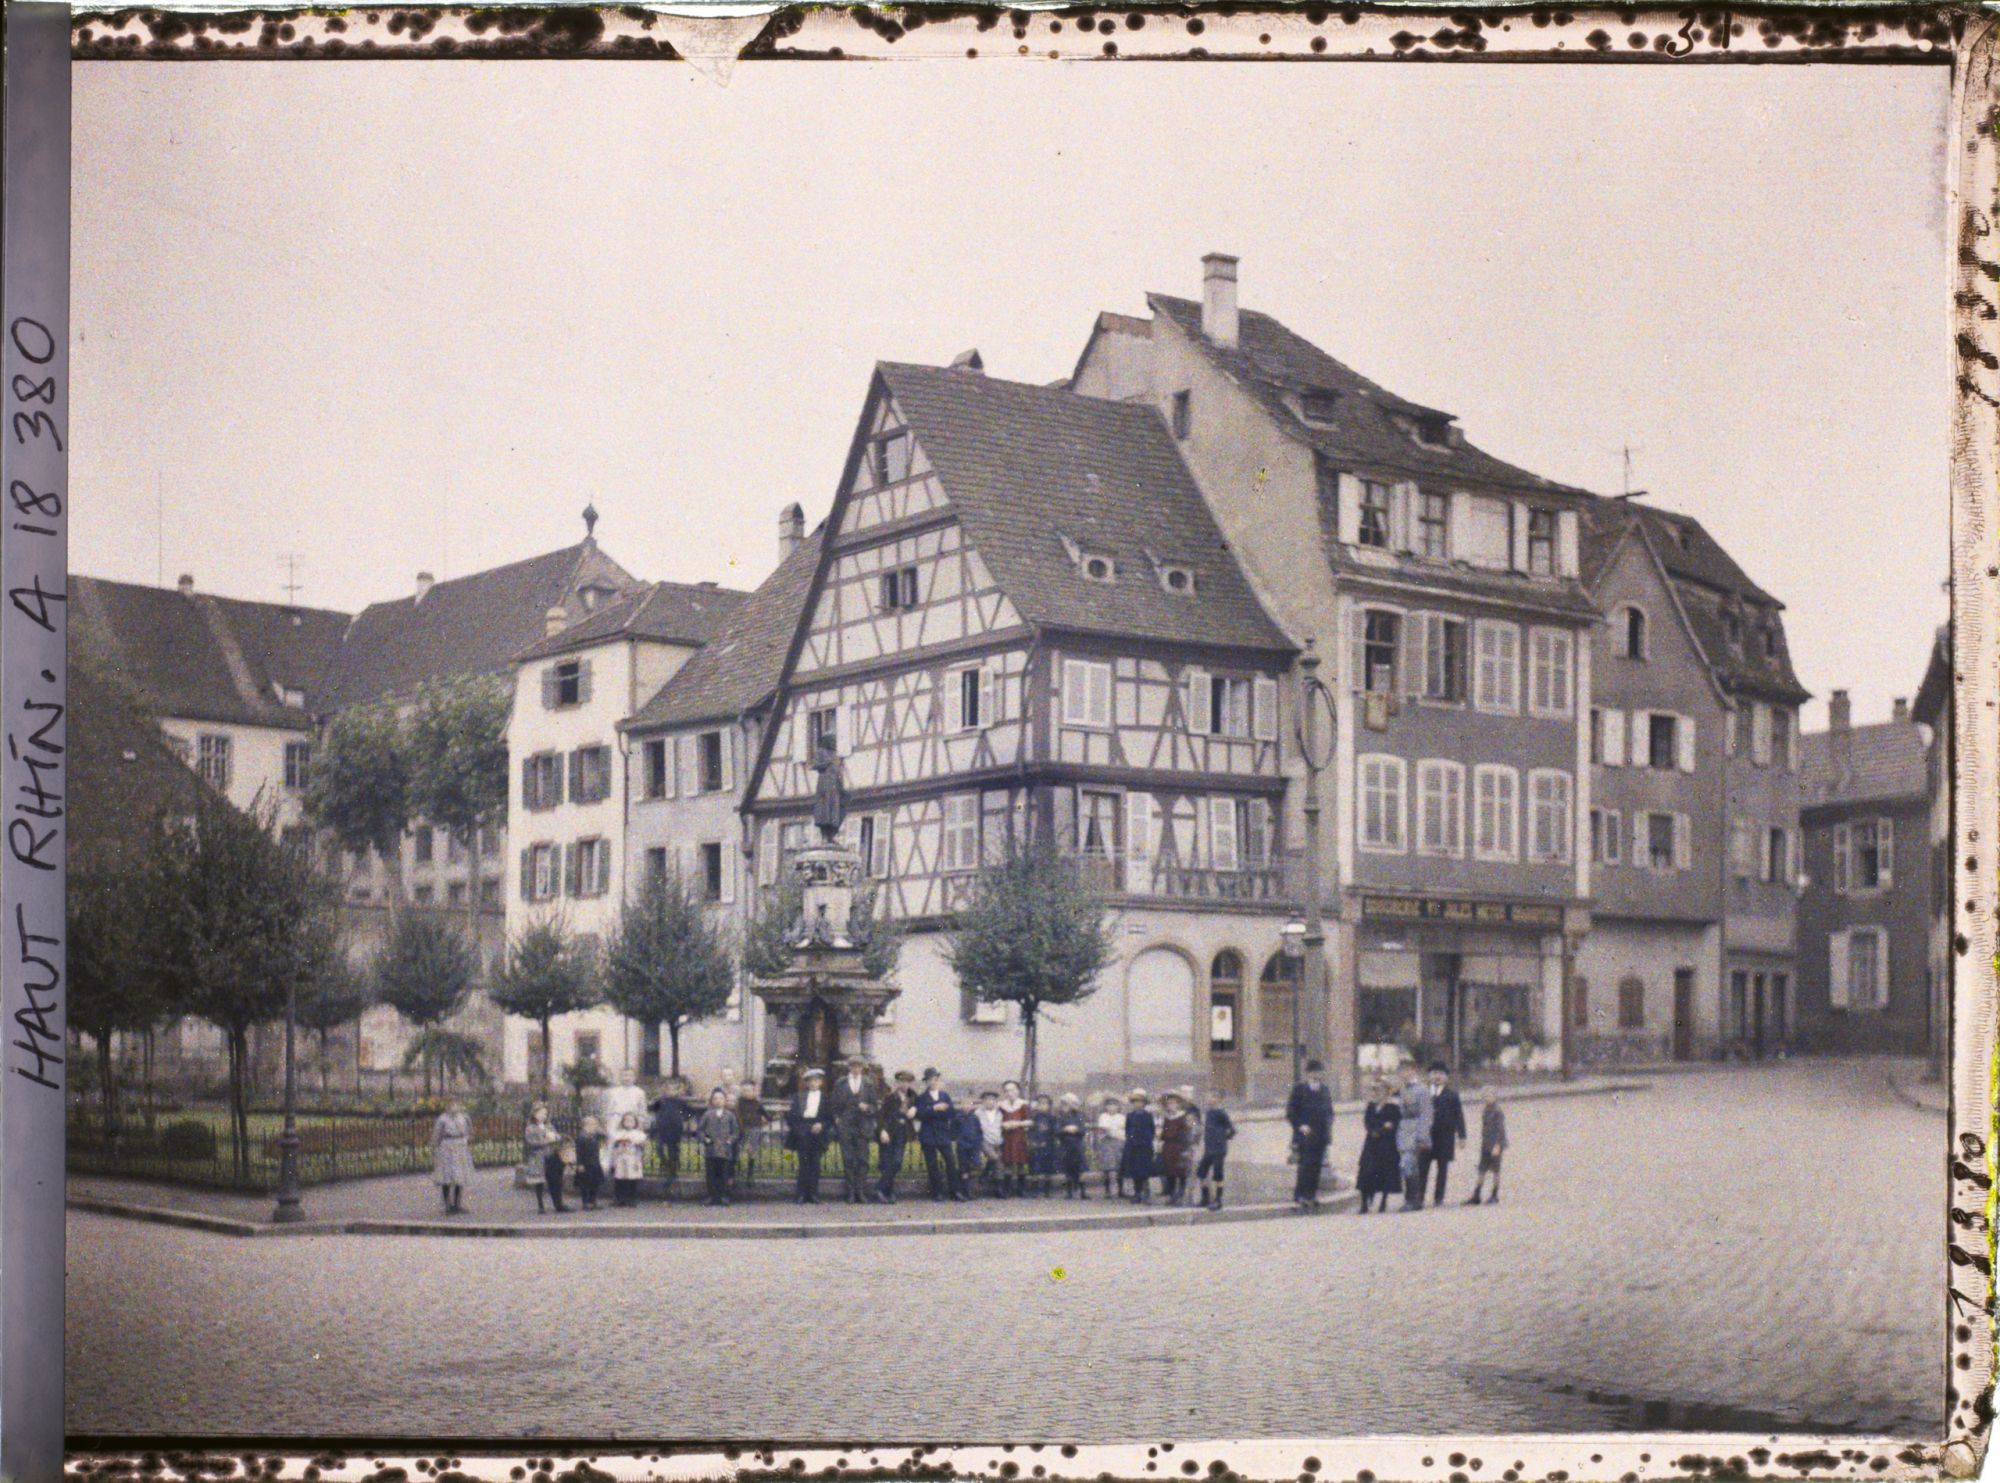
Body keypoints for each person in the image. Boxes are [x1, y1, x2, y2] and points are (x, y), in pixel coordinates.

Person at [828, 1055, 879, 1205]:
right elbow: (834, 1104)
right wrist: (837, 1118)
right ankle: (850, 1192)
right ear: (849, 1068)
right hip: (846, 1126)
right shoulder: (841, 1083)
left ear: (863, 1068)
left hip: (863, 1126)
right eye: (853, 1066)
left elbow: (875, 1106)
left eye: (859, 1066)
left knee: (863, 1160)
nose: (856, 1069)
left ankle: (860, 1192)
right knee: (848, 1159)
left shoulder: (869, 1083)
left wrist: (868, 1108)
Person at [1287, 1060, 1334, 1211]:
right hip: (1304, 1134)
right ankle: (1301, 1195)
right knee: (1304, 1165)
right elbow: (1291, 1112)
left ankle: (1311, 1195)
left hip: (1320, 1134)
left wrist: (1328, 1127)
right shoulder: (1299, 1089)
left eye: (1319, 1072)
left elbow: (1329, 1111)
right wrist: (1301, 1125)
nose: (1316, 1075)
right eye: (1313, 1072)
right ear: (1308, 1073)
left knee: (1316, 1166)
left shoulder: (1325, 1089)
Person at [1421, 1062, 1466, 1208]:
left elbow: (1459, 1116)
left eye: (1441, 1073)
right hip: (1427, 1136)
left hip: (1445, 1136)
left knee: (1442, 1168)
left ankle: (1438, 1198)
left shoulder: (1452, 1095)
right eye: (1434, 1073)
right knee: (1423, 1167)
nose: (1437, 1076)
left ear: (1446, 1077)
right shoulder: (1424, 1093)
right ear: (1428, 1076)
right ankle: (1419, 1196)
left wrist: (1462, 1136)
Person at [1355, 1079, 1403, 1213]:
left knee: (1384, 1172)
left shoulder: (1393, 1108)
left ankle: (1383, 1201)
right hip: (1371, 1143)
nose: (1377, 1094)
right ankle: (1364, 1203)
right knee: (1366, 1171)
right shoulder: (1371, 1106)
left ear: (1387, 1093)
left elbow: (1393, 1125)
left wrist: (1380, 1129)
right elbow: (1367, 1122)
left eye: (1381, 1091)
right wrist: (1376, 1129)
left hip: (1386, 1145)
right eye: (1375, 1091)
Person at [915, 1068, 963, 1201]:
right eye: (930, 1080)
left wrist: (945, 1109)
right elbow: (919, 1115)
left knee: (951, 1162)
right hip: (928, 1134)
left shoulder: (945, 1096)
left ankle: (955, 1191)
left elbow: (952, 1113)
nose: (933, 1082)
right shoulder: (921, 1098)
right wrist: (934, 1109)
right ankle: (937, 1192)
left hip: (943, 1133)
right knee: (932, 1165)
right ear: (926, 1082)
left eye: (935, 1079)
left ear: (938, 1080)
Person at [787, 1066, 831, 1204]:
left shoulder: (825, 1098)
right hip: (802, 1130)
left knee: (815, 1164)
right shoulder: (798, 1097)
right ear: (806, 1083)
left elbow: (830, 1118)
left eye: (816, 1080)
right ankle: (801, 1194)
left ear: (821, 1082)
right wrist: (799, 1131)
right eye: (810, 1080)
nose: (813, 1083)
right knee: (803, 1163)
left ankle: (813, 1194)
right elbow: (791, 1117)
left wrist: (822, 1125)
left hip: (817, 1130)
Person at [1396, 1059, 1435, 1211]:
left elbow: (1426, 1115)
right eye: (1400, 1071)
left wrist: (1422, 1136)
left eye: (1404, 1070)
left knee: (1409, 1165)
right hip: (1404, 1132)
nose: (1402, 1074)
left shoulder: (1422, 1090)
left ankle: (1413, 1200)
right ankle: (1413, 1199)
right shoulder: (1404, 1089)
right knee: (1407, 1166)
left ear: (1413, 1070)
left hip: (1415, 1132)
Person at [878, 1069, 919, 1203]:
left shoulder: (913, 1097)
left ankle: (880, 1188)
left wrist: (915, 1109)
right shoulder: (890, 1097)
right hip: (890, 1131)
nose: (904, 1085)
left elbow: (921, 1108)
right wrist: (883, 1130)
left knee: (897, 1161)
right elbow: (882, 1115)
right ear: (897, 1082)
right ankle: (887, 1192)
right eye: (902, 1081)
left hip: (903, 1132)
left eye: (907, 1082)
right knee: (887, 1161)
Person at [698, 1086, 741, 1206]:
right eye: (715, 1098)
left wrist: (730, 1140)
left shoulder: (730, 1115)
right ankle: (712, 1196)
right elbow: (700, 1130)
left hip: (725, 1150)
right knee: (711, 1175)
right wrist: (705, 1139)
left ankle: (724, 1196)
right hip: (711, 1150)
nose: (718, 1101)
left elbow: (735, 1131)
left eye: (721, 1098)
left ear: (725, 1100)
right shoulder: (707, 1115)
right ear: (712, 1101)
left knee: (724, 1174)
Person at [430, 1098, 473, 1214]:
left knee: (460, 1176)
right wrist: (435, 1149)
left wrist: (465, 1140)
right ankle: (447, 1205)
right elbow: (436, 1136)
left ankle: (457, 1204)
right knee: (446, 1176)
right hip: (447, 1147)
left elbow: (470, 1132)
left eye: (456, 1104)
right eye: (451, 1104)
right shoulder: (442, 1119)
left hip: (460, 1147)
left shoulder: (464, 1118)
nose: (453, 1106)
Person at [1466, 1095, 1508, 1206]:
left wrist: (1498, 1145)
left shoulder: (1497, 1111)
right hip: (1486, 1144)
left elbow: (1500, 1129)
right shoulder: (1486, 1110)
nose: (1486, 1098)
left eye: (1489, 1095)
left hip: (1495, 1144)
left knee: (1495, 1170)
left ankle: (1494, 1194)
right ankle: (1477, 1194)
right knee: (1482, 1169)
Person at [1196, 1097, 1236, 1211]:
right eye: (1208, 1096)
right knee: (1201, 1172)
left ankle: (1218, 1200)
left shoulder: (1221, 1113)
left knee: (1218, 1175)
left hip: (1219, 1149)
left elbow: (1232, 1130)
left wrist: (1223, 1138)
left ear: (1217, 1100)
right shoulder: (1209, 1113)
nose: (1209, 1099)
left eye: (1213, 1097)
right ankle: (1205, 1198)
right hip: (1209, 1149)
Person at [1157, 1091, 1195, 1206]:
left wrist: (1187, 1149)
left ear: (1178, 1104)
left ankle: (1181, 1194)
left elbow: (1190, 1132)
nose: (1171, 1106)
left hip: (1180, 1147)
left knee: (1181, 1172)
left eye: (1173, 1103)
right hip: (1168, 1147)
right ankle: (1172, 1195)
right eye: (1168, 1104)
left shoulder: (1184, 1116)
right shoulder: (1166, 1118)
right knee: (1169, 1172)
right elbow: (1162, 1133)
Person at [522, 1102, 560, 1213]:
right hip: (538, 1157)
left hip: (550, 1155)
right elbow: (531, 1142)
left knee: (554, 1180)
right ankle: (540, 1205)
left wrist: (556, 1138)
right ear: (534, 1114)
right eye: (542, 1113)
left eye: (545, 1114)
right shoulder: (530, 1128)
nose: (544, 1116)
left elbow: (557, 1135)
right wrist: (546, 1141)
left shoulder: (549, 1126)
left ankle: (557, 1203)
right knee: (539, 1182)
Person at [650, 1082, 688, 1195]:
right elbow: (652, 1109)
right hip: (662, 1129)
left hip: (675, 1129)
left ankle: (672, 1172)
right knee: (659, 1148)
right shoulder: (660, 1101)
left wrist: (683, 1119)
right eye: (668, 1089)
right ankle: (666, 1165)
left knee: (673, 1152)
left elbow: (688, 1113)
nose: (670, 1092)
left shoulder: (680, 1102)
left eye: (673, 1089)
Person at [1120, 1089, 1156, 1204]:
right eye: (1135, 1102)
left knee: (1144, 1170)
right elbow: (1127, 1129)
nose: (1138, 1104)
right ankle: (1137, 1192)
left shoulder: (1148, 1116)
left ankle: (1146, 1193)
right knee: (1134, 1171)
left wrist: (1147, 1140)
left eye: (1140, 1102)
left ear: (1144, 1104)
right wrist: (1130, 1139)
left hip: (1144, 1146)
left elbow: (1152, 1130)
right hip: (1133, 1146)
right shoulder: (1130, 1116)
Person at [997, 1081, 1031, 1198]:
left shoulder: (1023, 1105)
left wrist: (1017, 1123)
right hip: (1006, 1137)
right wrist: (1003, 1124)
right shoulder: (1001, 1106)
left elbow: (1030, 1121)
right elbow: (996, 1120)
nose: (1010, 1093)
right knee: (1008, 1162)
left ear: (1017, 1091)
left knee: (1020, 1162)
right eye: (1007, 1091)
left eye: (1012, 1090)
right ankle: (1007, 1189)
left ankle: (1021, 1189)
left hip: (1019, 1136)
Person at [1055, 1094, 1090, 1199]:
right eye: (1064, 1104)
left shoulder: (1079, 1116)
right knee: (1068, 1169)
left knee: (1081, 1169)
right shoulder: (1060, 1117)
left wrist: (1076, 1129)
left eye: (1069, 1104)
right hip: (1066, 1145)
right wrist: (1065, 1129)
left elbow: (1083, 1130)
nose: (1066, 1107)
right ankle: (1069, 1192)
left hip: (1078, 1146)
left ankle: (1083, 1192)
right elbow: (1056, 1131)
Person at [735, 1076, 766, 1191]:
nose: (746, 1093)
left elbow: (765, 1113)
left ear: (754, 1091)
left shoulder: (757, 1103)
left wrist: (767, 1118)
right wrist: (741, 1127)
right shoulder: (739, 1103)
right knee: (738, 1150)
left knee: (751, 1151)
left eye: (749, 1090)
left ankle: (750, 1174)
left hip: (754, 1129)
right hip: (742, 1129)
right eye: (744, 1090)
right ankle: (737, 1172)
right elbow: (737, 1116)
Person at [610, 1111, 647, 1207]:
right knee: (620, 1179)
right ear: (622, 1122)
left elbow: (642, 1146)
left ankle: (632, 1198)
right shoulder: (618, 1133)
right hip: (621, 1158)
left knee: (632, 1179)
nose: (628, 1122)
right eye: (626, 1120)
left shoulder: (638, 1134)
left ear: (635, 1122)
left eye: (631, 1120)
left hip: (633, 1158)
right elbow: (615, 1146)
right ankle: (619, 1198)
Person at [601, 1065, 648, 1139]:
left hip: (632, 1122)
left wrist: (641, 1125)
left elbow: (642, 1111)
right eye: (624, 1075)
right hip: (615, 1120)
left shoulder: (639, 1092)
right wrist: (606, 1124)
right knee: (614, 1143)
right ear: (620, 1077)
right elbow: (607, 1109)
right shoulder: (612, 1092)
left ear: (634, 1078)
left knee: (632, 1143)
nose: (627, 1078)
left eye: (630, 1075)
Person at [1093, 1096, 1127, 1199]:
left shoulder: (1122, 1117)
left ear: (1118, 1107)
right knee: (1108, 1167)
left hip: (1119, 1142)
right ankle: (1107, 1190)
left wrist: (1116, 1133)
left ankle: (1121, 1190)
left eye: (1114, 1105)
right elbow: (1104, 1130)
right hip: (1107, 1143)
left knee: (1119, 1166)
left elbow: (1124, 1131)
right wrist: (1114, 1132)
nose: (1112, 1107)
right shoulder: (1103, 1116)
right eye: (1109, 1105)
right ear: (1106, 1107)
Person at [1027, 1093, 1058, 1197]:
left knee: (1047, 1168)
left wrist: (1048, 1141)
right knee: (1035, 1167)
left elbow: (1054, 1132)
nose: (1042, 1106)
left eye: (1045, 1104)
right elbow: (1030, 1131)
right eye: (1040, 1103)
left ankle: (1047, 1190)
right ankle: (1034, 1190)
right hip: (1036, 1146)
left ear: (1049, 1105)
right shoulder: (1034, 1117)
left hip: (1048, 1146)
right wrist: (1033, 1141)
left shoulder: (1052, 1118)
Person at [976, 1090, 1006, 1196]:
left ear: (996, 1101)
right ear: (983, 1101)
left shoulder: (1000, 1113)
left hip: (998, 1140)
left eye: (992, 1100)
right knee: (994, 1158)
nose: (990, 1102)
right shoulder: (978, 1113)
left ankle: (999, 1188)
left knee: (999, 1163)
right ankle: (985, 1174)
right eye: (987, 1100)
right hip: (985, 1140)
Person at [956, 1095, 986, 1198]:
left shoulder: (975, 1118)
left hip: (974, 1146)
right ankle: (962, 1190)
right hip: (962, 1146)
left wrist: (978, 1142)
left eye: (969, 1104)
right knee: (963, 1168)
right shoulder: (957, 1117)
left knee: (974, 1166)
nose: (966, 1106)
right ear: (960, 1105)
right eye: (964, 1104)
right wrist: (958, 1140)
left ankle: (971, 1190)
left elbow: (979, 1131)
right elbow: (953, 1132)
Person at [574, 1114, 607, 1211]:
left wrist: (601, 1129)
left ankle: (593, 1201)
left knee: (594, 1183)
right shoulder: (581, 1137)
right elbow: (578, 1152)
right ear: (585, 1126)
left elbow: (605, 1135)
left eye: (595, 1125)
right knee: (585, 1184)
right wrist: (579, 1164)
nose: (595, 1127)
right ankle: (585, 1202)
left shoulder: (595, 1136)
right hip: (585, 1164)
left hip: (594, 1163)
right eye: (592, 1125)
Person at [544, 1137, 573, 1214]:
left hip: (555, 1171)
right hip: (553, 1172)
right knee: (556, 1187)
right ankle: (558, 1205)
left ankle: (558, 1204)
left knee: (557, 1187)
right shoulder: (554, 1153)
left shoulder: (555, 1152)